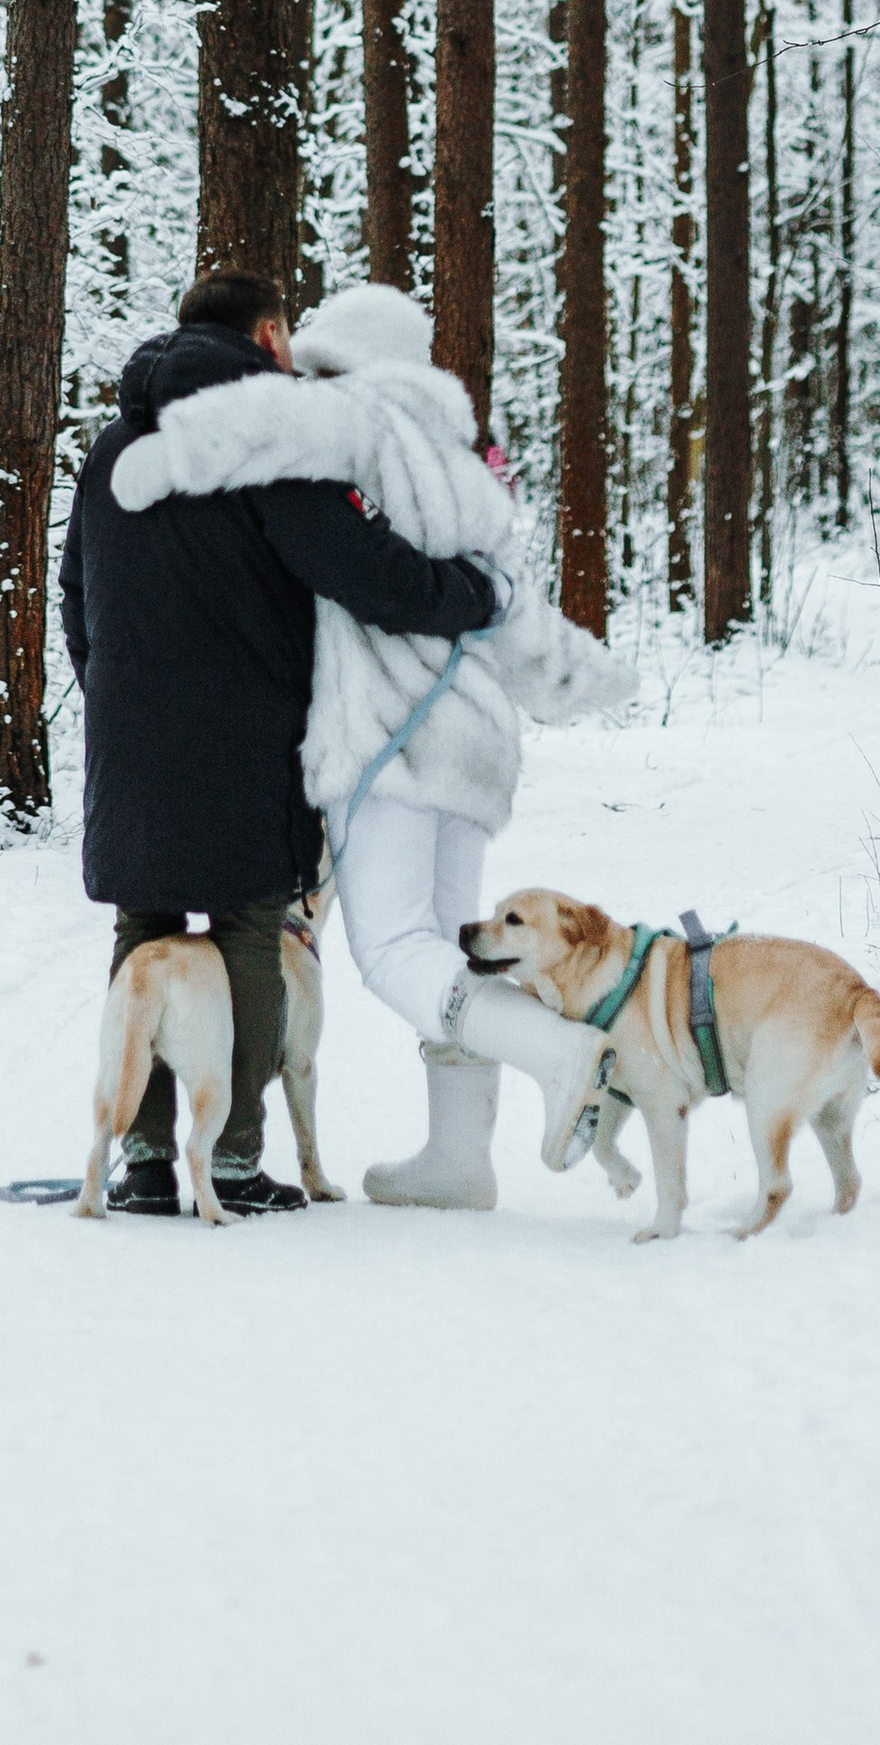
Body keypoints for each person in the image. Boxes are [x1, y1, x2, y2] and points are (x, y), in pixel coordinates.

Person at [109, 280, 631, 1209]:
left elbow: (252, 441)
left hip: (388, 741)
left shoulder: (341, 425)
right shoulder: (466, 464)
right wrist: (589, 678)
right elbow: (513, 610)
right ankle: (459, 1157)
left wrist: (154, 467)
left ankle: (559, 1052)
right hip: (473, 744)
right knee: (459, 946)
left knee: (394, 949)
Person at [59, 268, 503, 1216]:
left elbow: (76, 599)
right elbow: (364, 572)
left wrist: (114, 691)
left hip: (128, 741)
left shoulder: (109, 450)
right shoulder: (269, 441)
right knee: (250, 930)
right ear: (267, 335)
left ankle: (143, 1161)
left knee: (142, 932)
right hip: (244, 737)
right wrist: (472, 592)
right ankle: (232, 1161)